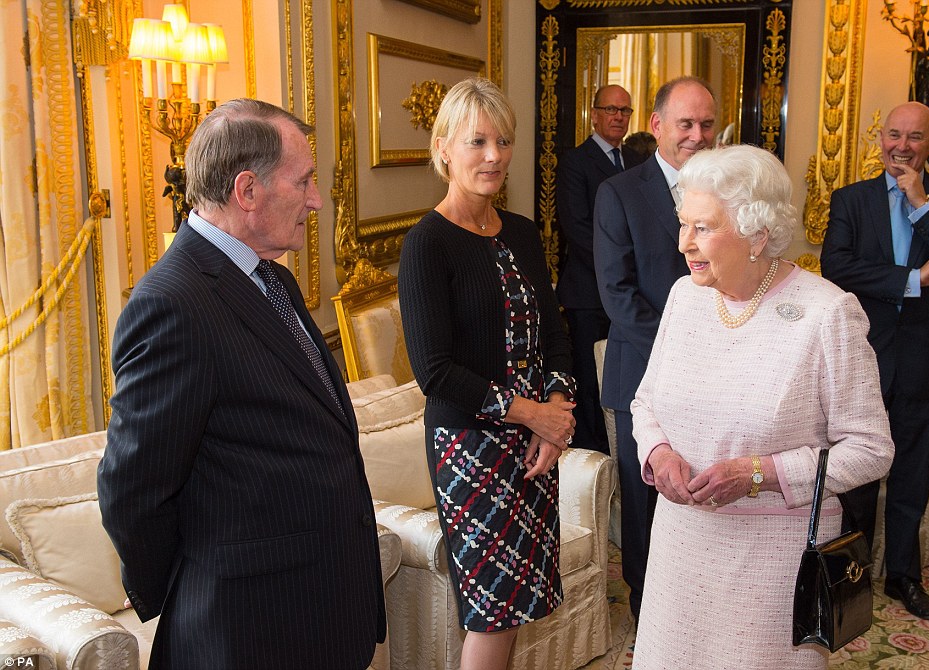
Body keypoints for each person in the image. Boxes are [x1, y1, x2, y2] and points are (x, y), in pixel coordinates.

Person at [97, 99, 385, 669]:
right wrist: (192, 583)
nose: (315, 200)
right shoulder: (172, 303)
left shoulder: (272, 276)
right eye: (303, 181)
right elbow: (133, 490)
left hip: (323, 607)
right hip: (251, 626)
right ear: (246, 191)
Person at [632, 144, 895, 668]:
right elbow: (645, 401)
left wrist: (761, 472)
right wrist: (659, 453)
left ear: (757, 235)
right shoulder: (685, 297)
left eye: (703, 228)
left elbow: (871, 449)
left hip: (772, 559)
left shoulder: (828, 314)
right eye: (684, 224)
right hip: (679, 548)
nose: (684, 242)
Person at [398, 78, 576, 670]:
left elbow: (554, 333)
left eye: (503, 140)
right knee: (492, 612)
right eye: (477, 141)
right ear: (444, 147)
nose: (494, 155)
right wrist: (536, 415)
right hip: (469, 450)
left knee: (517, 607)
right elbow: (436, 373)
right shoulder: (426, 244)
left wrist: (556, 416)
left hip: (532, 445)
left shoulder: (523, 232)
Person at [821, 101, 929, 621]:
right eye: (893, 135)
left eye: (915, 138)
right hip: (866, 358)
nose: (901, 147)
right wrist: (911, 280)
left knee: (911, 479)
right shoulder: (851, 200)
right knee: (856, 476)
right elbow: (837, 265)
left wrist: (921, 201)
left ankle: (904, 577)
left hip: (928, 358)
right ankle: (849, 580)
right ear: (879, 137)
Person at [593, 76, 716, 617]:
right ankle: (648, 609)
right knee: (643, 500)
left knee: (704, 489)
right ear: (657, 126)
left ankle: (696, 598)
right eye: (685, 124)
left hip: (717, 377)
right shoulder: (618, 193)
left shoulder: (726, 192)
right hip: (640, 373)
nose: (697, 135)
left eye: (707, 124)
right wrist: (686, 347)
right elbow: (617, 296)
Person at [556, 85, 644, 454]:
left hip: (627, 292)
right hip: (587, 291)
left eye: (625, 111)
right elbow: (576, 228)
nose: (618, 117)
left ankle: (623, 441)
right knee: (589, 376)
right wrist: (622, 266)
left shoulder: (637, 161)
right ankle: (592, 448)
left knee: (620, 368)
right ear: (593, 114)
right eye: (611, 109)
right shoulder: (576, 161)